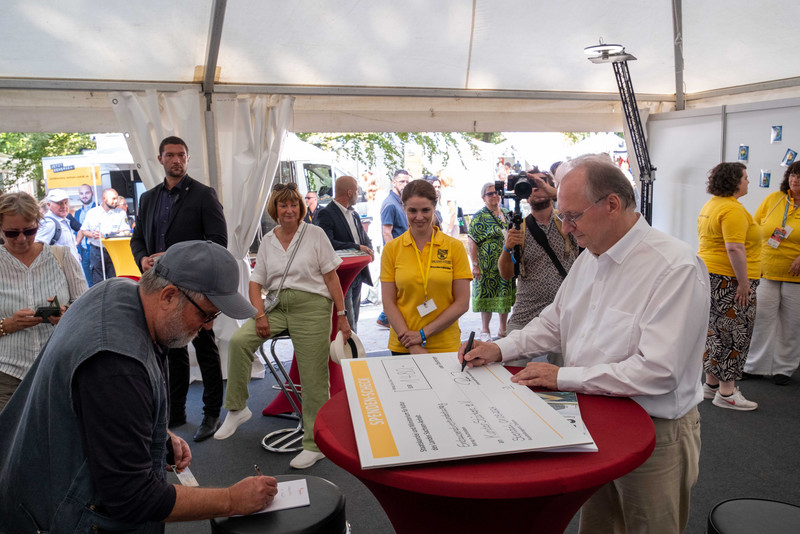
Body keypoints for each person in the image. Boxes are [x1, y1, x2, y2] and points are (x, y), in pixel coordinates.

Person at [460, 155, 708, 534]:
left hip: (656, 434)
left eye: (572, 216)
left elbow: (658, 372)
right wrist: (501, 348)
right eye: (561, 216)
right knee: (597, 526)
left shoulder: (674, 266)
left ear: (612, 205)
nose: (566, 227)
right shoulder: (590, 256)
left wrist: (562, 377)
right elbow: (555, 323)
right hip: (592, 418)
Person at [0, 240, 278, 531]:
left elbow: (99, 408)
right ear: (169, 296)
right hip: (59, 516)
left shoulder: (115, 289)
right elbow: (132, 497)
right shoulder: (118, 366)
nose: (207, 327)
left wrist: (154, 432)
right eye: (206, 314)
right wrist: (232, 499)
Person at [215, 182, 350, 469]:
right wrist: (259, 314)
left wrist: (342, 315)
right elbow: (255, 283)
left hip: (313, 305)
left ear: (301, 207)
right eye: (282, 205)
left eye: (293, 205)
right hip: (276, 306)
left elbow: (331, 278)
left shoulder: (315, 234)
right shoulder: (267, 240)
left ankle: (315, 444)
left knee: (314, 375)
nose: (289, 210)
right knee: (239, 342)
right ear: (274, 209)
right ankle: (237, 409)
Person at [131, 136, 229, 442]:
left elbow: (217, 242)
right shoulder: (148, 198)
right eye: (170, 155)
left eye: (182, 155)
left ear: (188, 159)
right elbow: (137, 240)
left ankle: (211, 413)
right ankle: (176, 412)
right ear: (159, 159)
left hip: (194, 287)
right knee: (172, 350)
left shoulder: (203, 195)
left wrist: (179, 260)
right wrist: (143, 259)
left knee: (205, 348)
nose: (176, 160)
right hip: (159, 287)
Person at [0, 191, 87, 411]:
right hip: (7, 374)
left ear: (39, 224)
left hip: (57, 369)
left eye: (29, 231)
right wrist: (8, 324)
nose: (21, 239)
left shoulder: (61, 256)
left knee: (54, 441)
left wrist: (66, 315)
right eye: (11, 233)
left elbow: (86, 311)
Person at [697, 162, 761, 410]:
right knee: (735, 335)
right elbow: (734, 247)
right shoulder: (732, 210)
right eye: (745, 177)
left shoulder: (712, 205)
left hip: (713, 277)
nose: (748, 181)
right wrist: (743, 283)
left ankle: (711, 385)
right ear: (734, 181)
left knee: (716, 332)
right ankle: (727, 392)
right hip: (730, 280)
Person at [381, 179, 471, 354]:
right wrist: (412, 344)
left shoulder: (454, 247)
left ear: (434, 207)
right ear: (403, 208)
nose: (419, 217)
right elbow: (388, 302)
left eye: (425, 210)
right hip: (404, 344)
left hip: (445, 345)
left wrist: (422, 334)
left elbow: (462, 303)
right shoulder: (392, 249)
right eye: (412, 210)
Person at [499, 172, 578, 337]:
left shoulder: (568, 221)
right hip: (527, 310)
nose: (536, 188)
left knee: (564, 363)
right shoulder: (518, 227)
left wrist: (554, 191)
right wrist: (507, 249)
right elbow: (506, 275)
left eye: (541, 183)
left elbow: (586, 203)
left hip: (565, 309)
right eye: (531, 185)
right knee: (511, 359)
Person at [745, 162, 800, 384]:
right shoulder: (774, 199)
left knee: (791, 323)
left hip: (795, 275)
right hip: (766, 269)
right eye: (793, 175)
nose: (795, 179)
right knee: (761, 319)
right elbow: (755, 225)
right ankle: (754, 365)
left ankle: (784, 369)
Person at [315, 175, 374, 332]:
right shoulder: (326, 213)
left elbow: (362, 236)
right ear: (349, 192)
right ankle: (349, 354)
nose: (358, 194)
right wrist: (357, 247)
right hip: (341, 275)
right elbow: (328, 243)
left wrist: (369, 247)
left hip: (358, 273)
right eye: (356, 190)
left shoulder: (353, 213)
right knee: (347, 322)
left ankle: (353, 352)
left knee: (355, 318)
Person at [468, 182, 515, 341]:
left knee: (504, 293)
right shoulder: (479, 216)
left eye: (497, 193)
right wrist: (475, 265)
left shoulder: (508, 214)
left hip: (506, 262)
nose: (494, 195)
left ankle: (503, 329)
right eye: (490, 194)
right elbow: (472, 241)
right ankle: (485, 330)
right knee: (486, 296)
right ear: (483, 198)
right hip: (486, 266)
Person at [376, 169, 411, 328]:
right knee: (397, 289)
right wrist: (395, 254)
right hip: (398, 255)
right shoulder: (390, 203)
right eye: (402, 181)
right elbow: (386, 231)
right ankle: (385, 317)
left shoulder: (401, 202)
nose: (405, 184)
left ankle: (388, 317)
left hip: (406, 252)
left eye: (407, 181)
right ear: (394, 182)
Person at [80, 187, 131, 284]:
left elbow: (126, 231)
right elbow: (84, 230)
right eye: (113, 199)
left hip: (113, 250)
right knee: (98, 280)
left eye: (116, 198)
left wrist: (109, 235)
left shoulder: (121, 213)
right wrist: (92, 234)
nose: (116, 201)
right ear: (104, 199)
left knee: (115, 279)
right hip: (96, 250)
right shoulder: (93, 213)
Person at [35, 188, 81, 262]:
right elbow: (36, 251)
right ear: (49, 205)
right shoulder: (49, 224)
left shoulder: (63, 220)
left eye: (66, 202)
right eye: (59, 203)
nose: (64, 206)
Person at [74, 183, 96, 285]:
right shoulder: (77, 213)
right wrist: (77, 251)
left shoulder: (98, 209)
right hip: (83, 253)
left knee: (99, 281)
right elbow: (76, 233)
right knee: (88, 283)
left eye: (87, 192)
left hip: (95, 249)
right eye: (81, 193)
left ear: (92, 193)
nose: (84, 195)